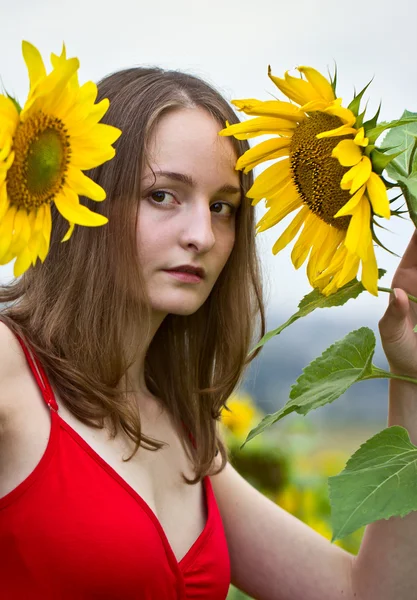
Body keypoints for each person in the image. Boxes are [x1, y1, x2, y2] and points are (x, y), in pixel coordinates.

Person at [0, 66, 416, 600]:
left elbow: (366, 594)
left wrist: (408, 379)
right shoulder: (13, 372)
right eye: (163, 196)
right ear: (85, 197)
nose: (202, 235)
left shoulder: (187, 433)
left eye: (223, 207)